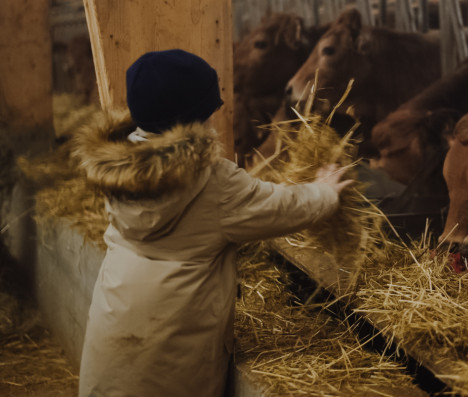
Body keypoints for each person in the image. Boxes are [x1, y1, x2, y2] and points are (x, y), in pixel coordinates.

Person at [75, 49, 351, 397]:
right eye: (207, 112)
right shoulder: (209, 180)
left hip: (117, 322)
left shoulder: (120, 166)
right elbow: (277, 207)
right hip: (174, 341)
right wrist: (324, 193)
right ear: (192, 118)